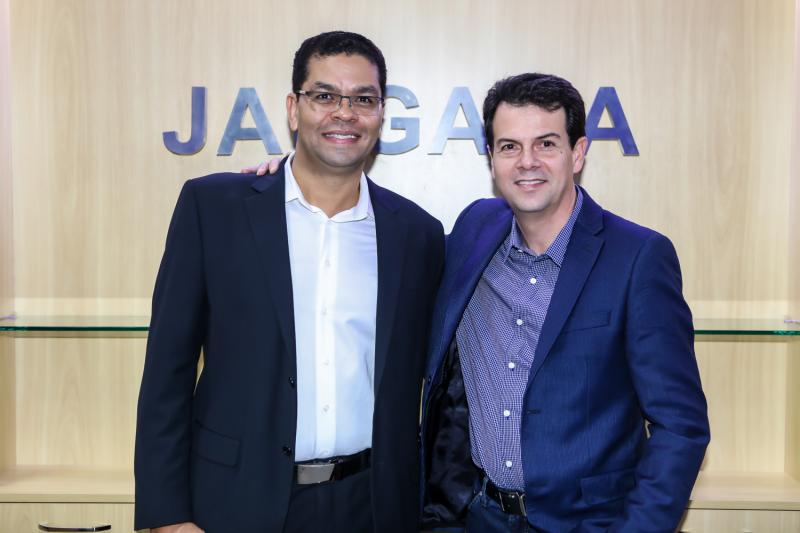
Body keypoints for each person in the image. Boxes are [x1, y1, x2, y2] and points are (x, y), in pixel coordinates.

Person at [134, 31, 444, 533]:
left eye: (363, 99)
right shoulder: (214, 210)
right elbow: (167, 372)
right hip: (236, 503)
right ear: (293, 109)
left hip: (372, 505)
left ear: (381, 113)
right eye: (324, 95)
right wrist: (168, 515)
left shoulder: (418, 235)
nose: (344, 113)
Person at [419, 73, 710, 532]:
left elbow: (680, 425)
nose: (527, 162)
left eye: (546, 144)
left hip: (590, 523)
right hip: (478, 516)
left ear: (577, 153)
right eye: (510, 146)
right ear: (492, 158)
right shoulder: (474, 231)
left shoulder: (638, 257)